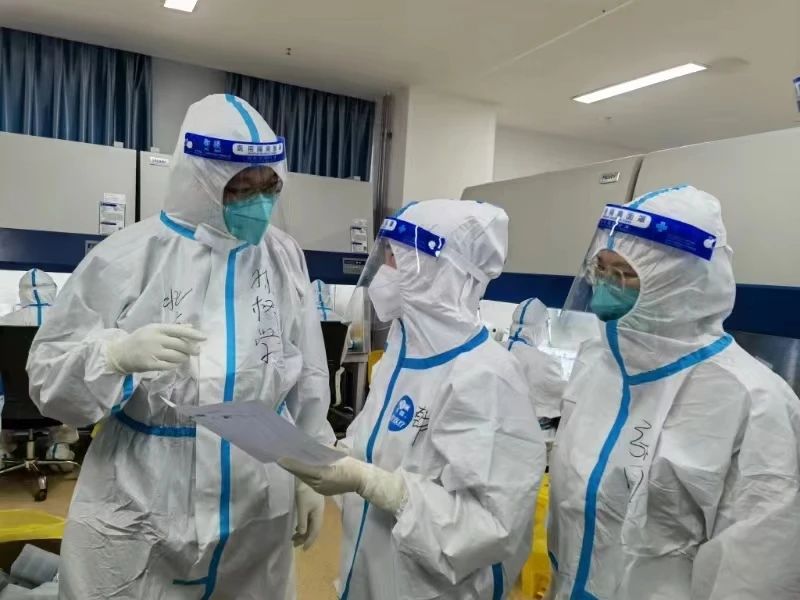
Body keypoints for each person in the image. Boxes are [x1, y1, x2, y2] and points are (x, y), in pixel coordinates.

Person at [27, 94, 334, 599]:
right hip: (146, 495)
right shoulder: (127, 256)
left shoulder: (282, 257)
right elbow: (47, 377)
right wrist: (113, 356)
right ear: (200, 180)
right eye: (241, 187)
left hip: (256, 499)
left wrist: (309, 470)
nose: (258, 202)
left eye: (269, 187)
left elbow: (309, 375)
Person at [281, 199, 547, 599]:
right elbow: (379, 446)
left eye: (396, 258)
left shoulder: (486, 377)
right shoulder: (401, 355)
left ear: (443, 272)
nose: (383, 271)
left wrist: (378, 485)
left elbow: (492, 526)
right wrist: (337, 458)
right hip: (371, 575)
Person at [546, 186, 800, 599]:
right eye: (601, 269)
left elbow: (755, 574)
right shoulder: (597, 366)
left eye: (624, 274)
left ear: (679, 283)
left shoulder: (753, 402)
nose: (605, 288)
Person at [0, 269, 79, 466]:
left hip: (12, 410)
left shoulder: (3, 324)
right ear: (53, 290)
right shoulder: (69, 323)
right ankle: (59, 445)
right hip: (56, 407)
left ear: (22, 292)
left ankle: (2, 448)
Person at [506, 298, 565, 440]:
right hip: (526, 438)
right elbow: (562, 404)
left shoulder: (490, 349)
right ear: (542, 327)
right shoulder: (546, 362)